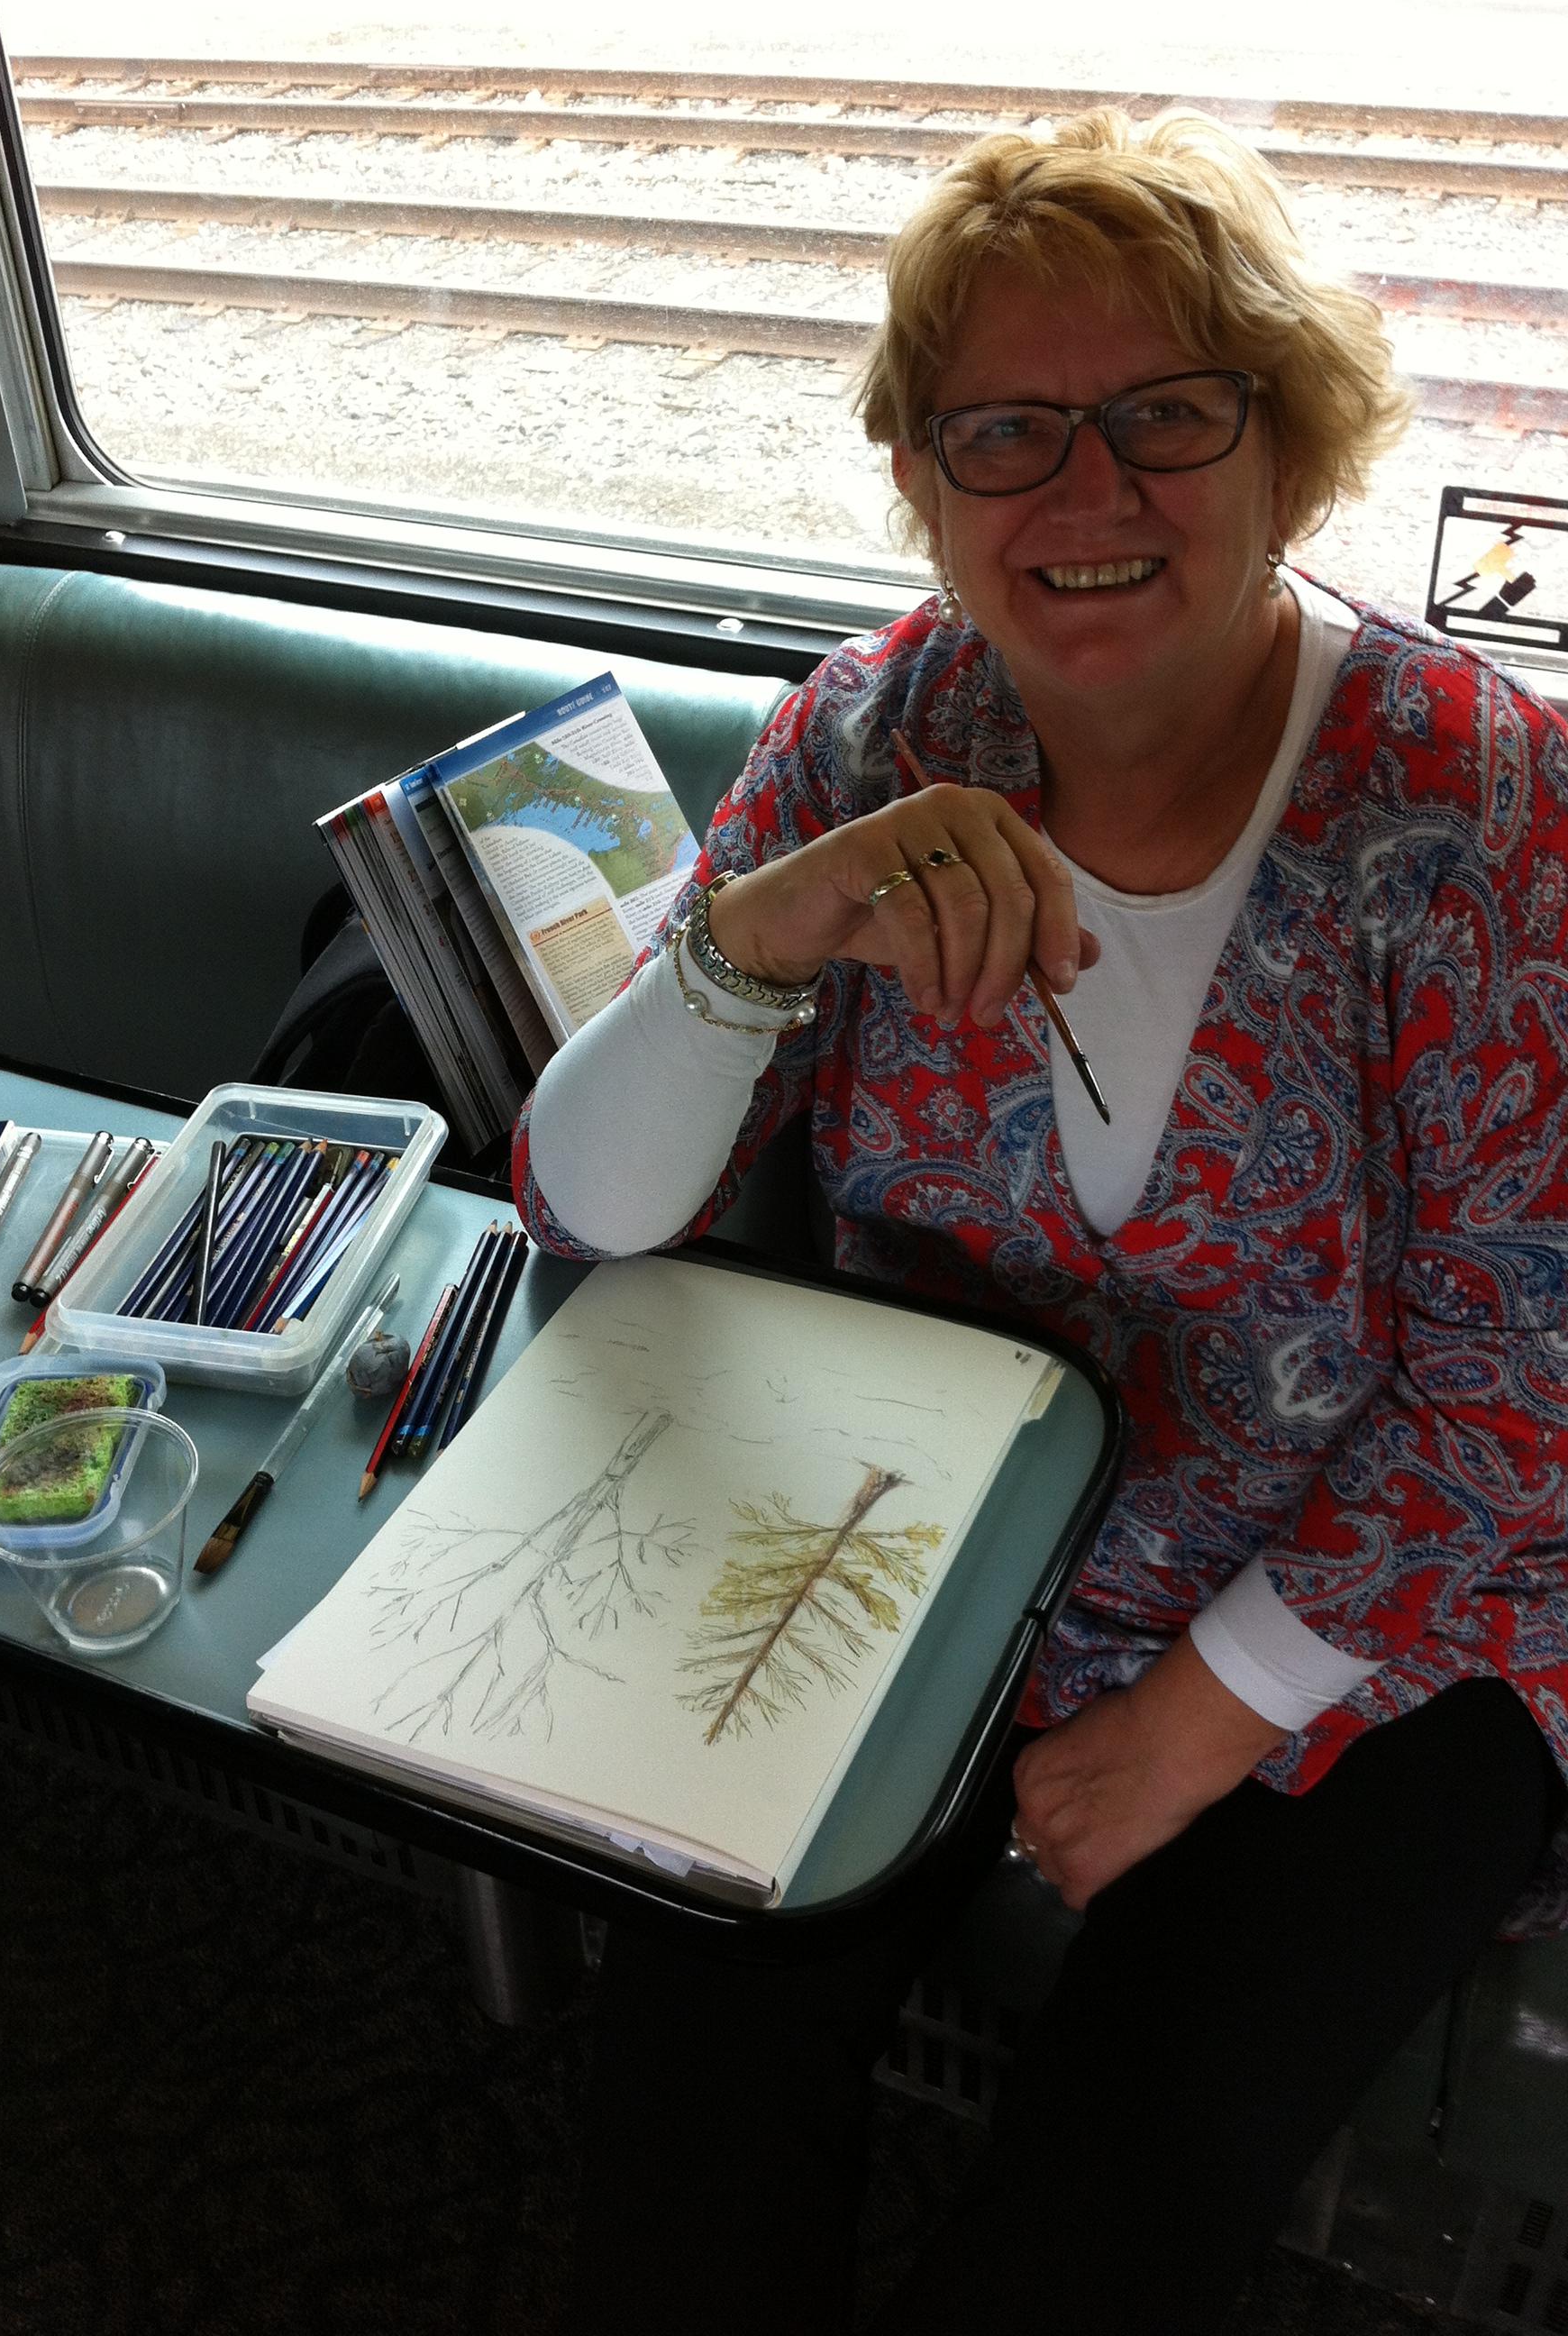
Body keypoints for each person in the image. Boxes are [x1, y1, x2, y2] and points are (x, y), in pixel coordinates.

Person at [512, 107, 1568, 2334]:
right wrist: (755, 935)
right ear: (922, 478)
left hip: (1382, 1614)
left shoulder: (1472, 811)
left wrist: (1194, 1716)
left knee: (1115, 2198)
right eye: (1003, 431)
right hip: (932, 1528)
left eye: (1167, 413)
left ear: (1289, 445)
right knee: (690, 2060)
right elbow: (584, 1202)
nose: (1085, 495)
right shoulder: (873, 734)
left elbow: (1522, 1388)